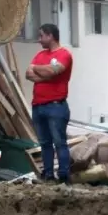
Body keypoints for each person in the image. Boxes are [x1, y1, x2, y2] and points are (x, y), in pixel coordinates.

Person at [25, 23, 73, 183]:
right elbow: (28, 74)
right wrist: (46, 74)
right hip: (38, 105)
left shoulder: (64, 54)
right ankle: (48, 175)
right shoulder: (40, 55)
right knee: (45, 143)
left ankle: (64, 175)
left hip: (56, 106)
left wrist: (37, 69)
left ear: (50, 36)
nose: (39, 40)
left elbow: (54, 70)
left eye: (41, 36)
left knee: (59, 142)